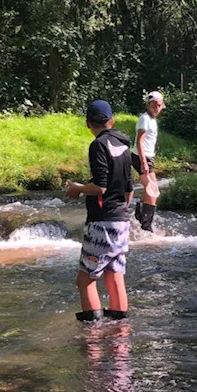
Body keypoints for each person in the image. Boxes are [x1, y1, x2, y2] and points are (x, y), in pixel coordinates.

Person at [65, 100, 133, 322]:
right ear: (111, 121)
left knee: (86, 280)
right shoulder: (123, 144)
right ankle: (120, 340)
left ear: (88, 124)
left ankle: (92, 342)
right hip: (122, 220)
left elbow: (100, 187)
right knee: (115, 277)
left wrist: (78, 189)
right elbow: (129, 189)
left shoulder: (98, 145)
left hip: (102, 222)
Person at [132, 91, 164, 232]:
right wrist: (143, 162)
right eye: (154, 105)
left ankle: (140, 215)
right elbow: (139, 141)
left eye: (159, 105)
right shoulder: (144, 119)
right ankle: (145, 225)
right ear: (149, 104)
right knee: (153, 191)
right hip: (141, 157)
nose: (157, 108)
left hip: (148, 157)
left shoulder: (153, 120)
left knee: (152, 190)